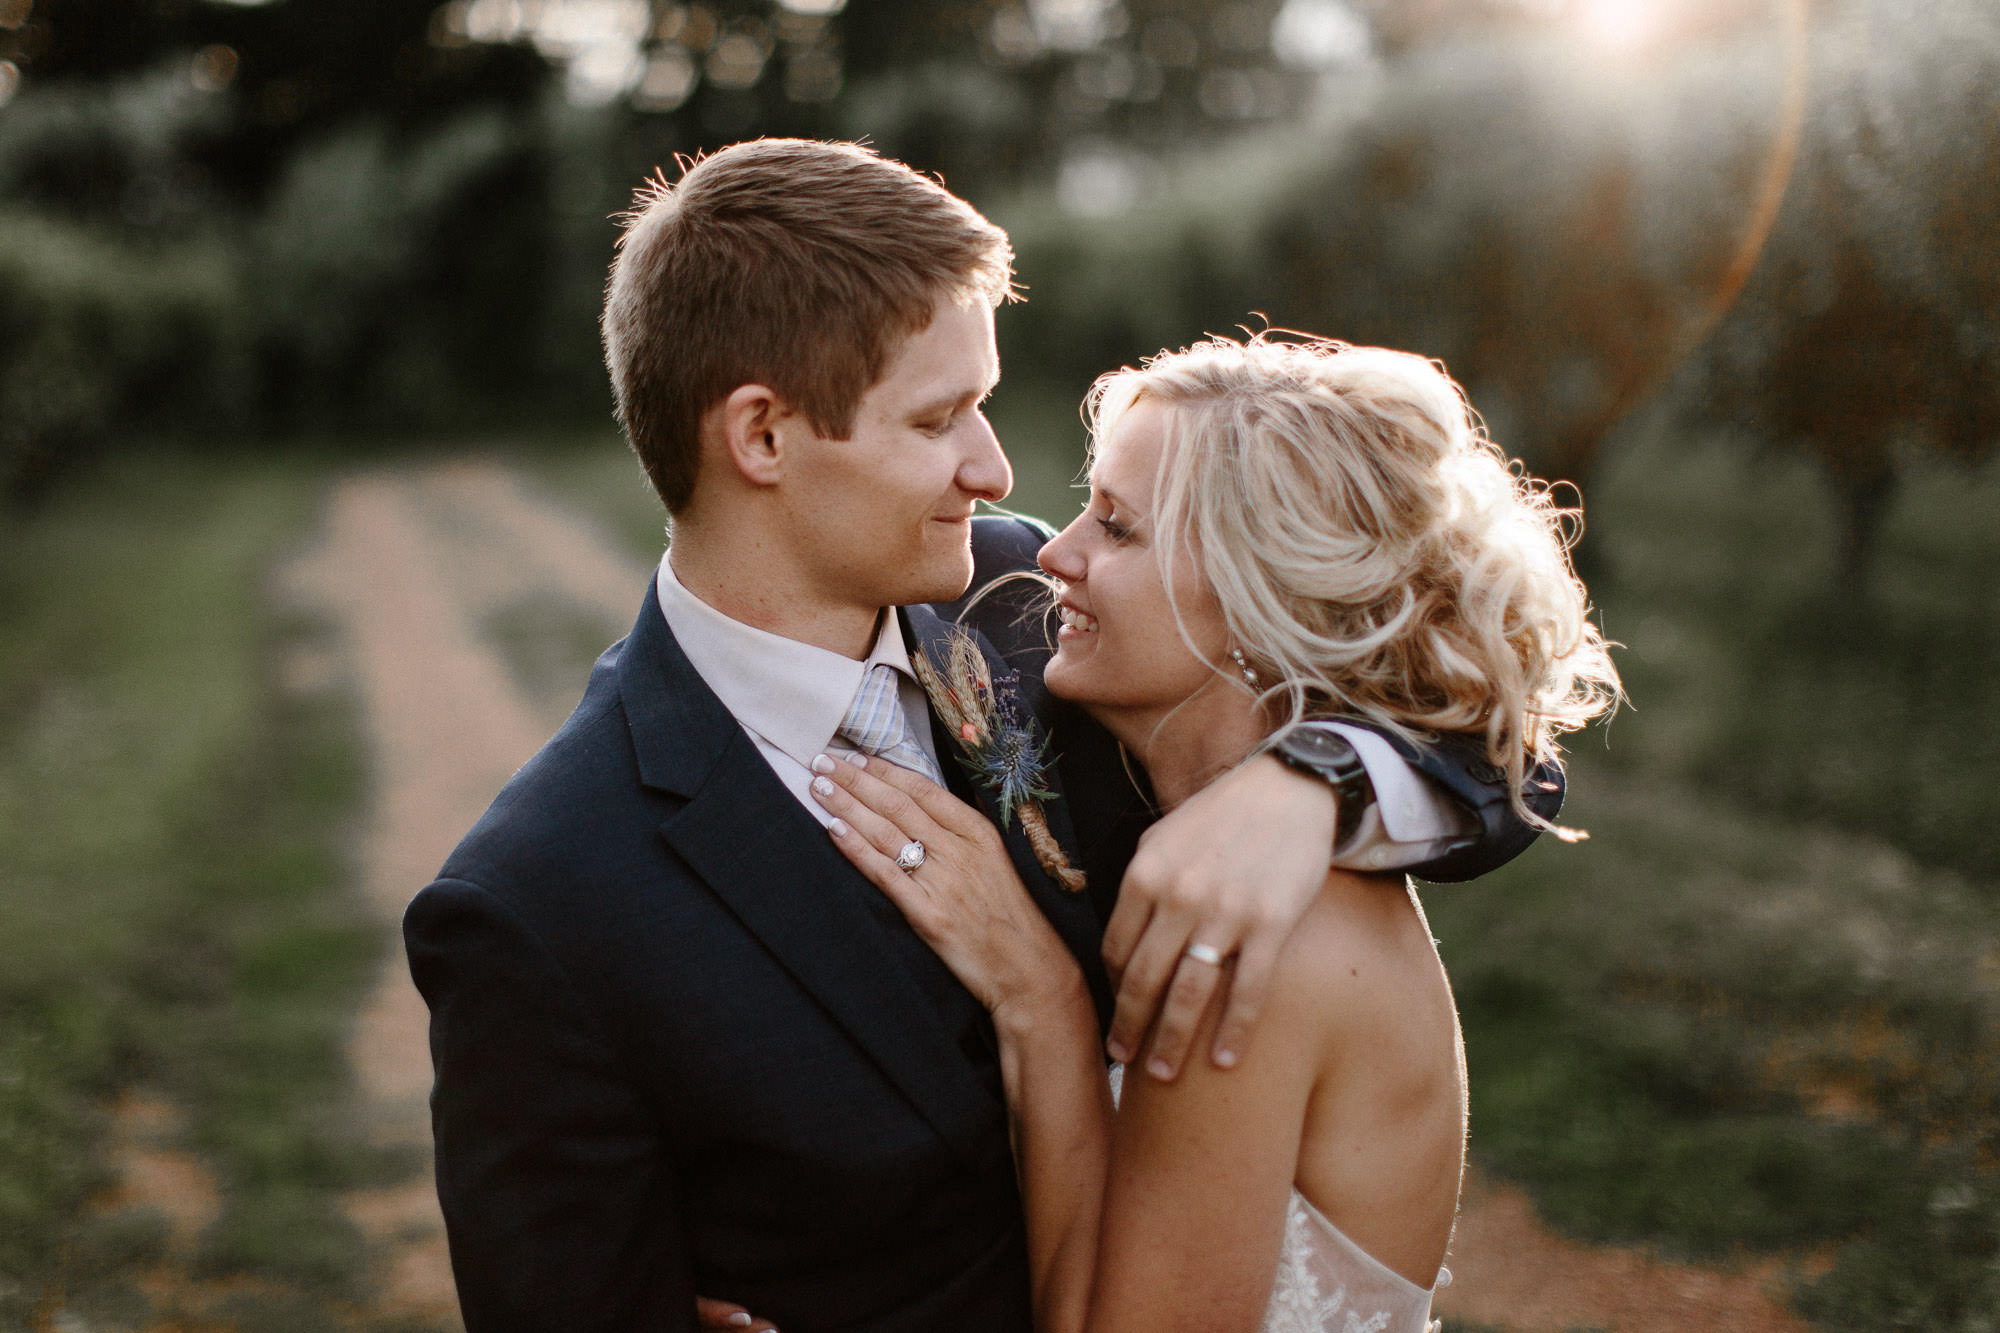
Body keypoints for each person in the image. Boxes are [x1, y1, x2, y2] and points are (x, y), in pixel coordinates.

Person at [403, 141, 1558, 1333]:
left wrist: (1313, 783)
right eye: (939, 416)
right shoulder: (537, 907)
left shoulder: (1030, 605)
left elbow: (1488, 738)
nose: (996, 469)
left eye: (984, 402)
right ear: (761, 437)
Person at [807, 335, 1621, 1332]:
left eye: (1114, 525)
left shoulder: (1250, 943)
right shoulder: (1224, 855)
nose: (1050, 553)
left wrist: (1041, 1002)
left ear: (1254, 595)